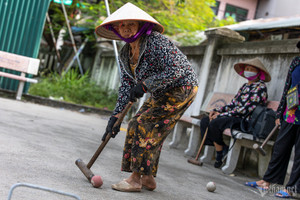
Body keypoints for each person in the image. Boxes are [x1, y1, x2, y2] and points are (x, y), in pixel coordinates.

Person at [95, 3, 198, 192]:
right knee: (135, 124)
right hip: (161, 92)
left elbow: (179, 69)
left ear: (141, 26)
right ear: (115, 28)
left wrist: (145, 84)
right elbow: (126, 85)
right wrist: (115, 117)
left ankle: (135, 180)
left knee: (144, 124)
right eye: (121, 25)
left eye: (131, 24)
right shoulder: (125, 52)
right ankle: (148, 177)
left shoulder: (155, 42)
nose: (126, 29)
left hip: (181, 88)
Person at [245, 41, 300, 198]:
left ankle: (293, 189)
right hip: (291, 113)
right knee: (280, 148)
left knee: (299, 155)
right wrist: (280, 112)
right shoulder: (296, 62)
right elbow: (288, 87)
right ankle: (268, 180)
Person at [200, 57, 270, 168]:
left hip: (244, 120)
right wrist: (217, 111)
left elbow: (246, 110)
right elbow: (233, 104)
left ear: (258, 73)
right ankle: (222, 149)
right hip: (233, 116)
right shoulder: (245, 86)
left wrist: (222, 115)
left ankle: (219, 156)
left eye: (252, 69)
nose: (249, 71)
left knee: (215, 123)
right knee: (205, 121)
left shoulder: (260, 88)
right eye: (247, 68)